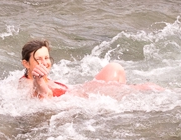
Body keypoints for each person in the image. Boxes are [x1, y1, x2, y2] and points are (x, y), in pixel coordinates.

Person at [19, 39, 159, 99]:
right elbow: (41, 95)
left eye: (47, 58)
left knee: (114, 68)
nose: (45, 63)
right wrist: (39, 81)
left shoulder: (44, 77)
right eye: (39, 59)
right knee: (140, 89)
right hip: (86, 104)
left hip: (81, 93)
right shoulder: (27, 83)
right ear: (26, 64)